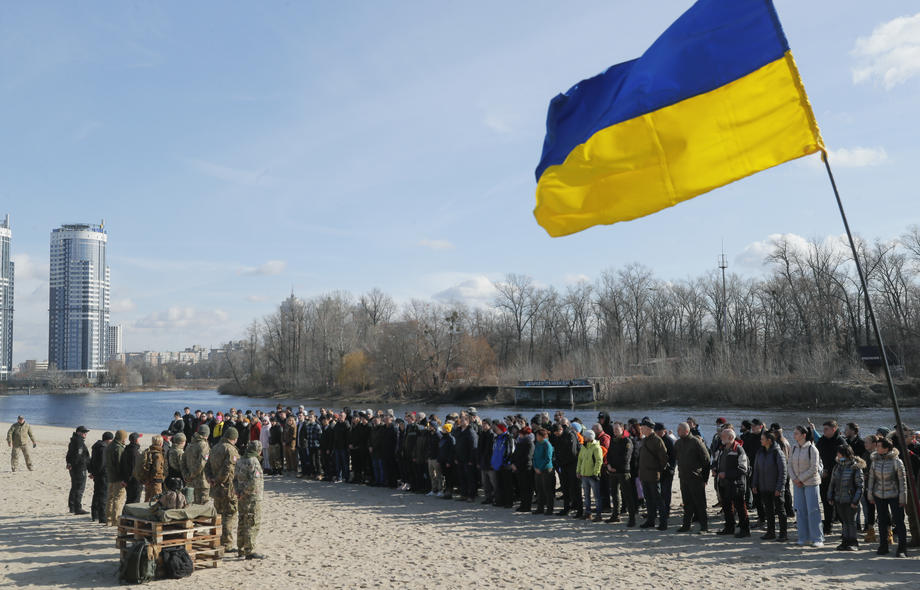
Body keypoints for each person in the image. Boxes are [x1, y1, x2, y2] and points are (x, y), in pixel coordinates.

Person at [867, 437, 909, 558]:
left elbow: (902, 481)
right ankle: (883, 546)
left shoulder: (897, 461)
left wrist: (903, 498)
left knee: (899, 521)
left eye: (879, 446)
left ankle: (902, 548)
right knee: (882, 521)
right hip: (879, 495)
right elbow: (871, 479)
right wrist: (870, 494)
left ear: (886, 448)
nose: (876, 448)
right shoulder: (875, 460)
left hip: (894, 495)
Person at [788, 425, 824, 547]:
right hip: (797, 484)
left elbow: (814, 468)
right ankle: (803, 537)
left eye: (796, 433)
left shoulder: (812, 449)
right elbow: (789, 465)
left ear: (804, 435)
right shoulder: (793, 448)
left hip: (811, 483)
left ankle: (817, 538)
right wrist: (794, 479)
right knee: (800, 510)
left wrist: (800, 479)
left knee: (813, 510)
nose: (794, 435)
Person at [207, 427, 241, 553]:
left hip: (216, 487)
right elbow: (228, 469)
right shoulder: (230, 449)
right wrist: (217, 479)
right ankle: (226, 544)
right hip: (227, 487)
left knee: (219, 514)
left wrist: (211, 478)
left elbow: (207, 466)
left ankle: (217, 540)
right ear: (234, 438)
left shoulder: (215, 447)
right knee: (229, 514)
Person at [674, 422, 710, 533]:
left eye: (679, 430)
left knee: (700, 504)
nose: (677, 432)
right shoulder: (678, 443)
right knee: (687, 503)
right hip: (683, 478)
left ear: (686, 430)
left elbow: (706, 460)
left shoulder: (696, 442)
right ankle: (686, 525)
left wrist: (705, 479)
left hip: (696, 478)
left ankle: (704, 527)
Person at [827, 443, 865, 551]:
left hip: (850, 499)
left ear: (845, 453)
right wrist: (830, 496)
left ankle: (853, 542)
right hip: (839, 498)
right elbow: (832, 483)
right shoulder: (838, 466)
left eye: (839, 453)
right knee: (844, 521)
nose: (837, 455)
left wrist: (855, 500)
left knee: (851, 521)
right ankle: (845, 541)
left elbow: (860, 486)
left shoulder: (855, 467)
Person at [752, 431, 787, 541]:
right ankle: (770, 532)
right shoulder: (760, 452)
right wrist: (754, 484)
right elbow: (756, 470)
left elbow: (783, 472)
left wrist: (779, 488)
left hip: (775, 488)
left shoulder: (778, 452)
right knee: (768, 511)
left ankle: (783, 534)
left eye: (762, 439)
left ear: (769, 440)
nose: (760, 440)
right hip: (764, 487)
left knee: (780, 511)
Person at [715, 428, 751, 538]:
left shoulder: (739, 450)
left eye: (723, 436)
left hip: (736, 484)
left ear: (731, 437)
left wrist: (726, 474)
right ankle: (729, 528)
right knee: (726, 506)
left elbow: (743, 469)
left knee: (740, 507)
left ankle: (745, 530)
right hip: (723, 483)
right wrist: (714, 469)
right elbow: (715, 460)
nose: (721, 438)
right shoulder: (721, 448)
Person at [234, 440, 265, 560]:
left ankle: (240, 548)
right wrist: (244, 492)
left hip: (241, 497)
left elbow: (234, 478)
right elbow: (254, 482)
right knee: (252, 522)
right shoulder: (254, 462)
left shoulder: (240, 460)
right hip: (252, 497)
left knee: (242, 521)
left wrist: (238, 491)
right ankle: (249, 550)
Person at [637, 418, 668, 530]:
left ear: (649, 428)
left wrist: (657, 469)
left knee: (658, 500)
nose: (641, 429)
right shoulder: (645, 440)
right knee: (649, 500)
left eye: (643, 427)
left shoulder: (657, 440)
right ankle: (650, 520)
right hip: (645, 475)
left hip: (653, 474)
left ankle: (663, 523)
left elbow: (664, 458)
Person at [816, 420, 846, 536]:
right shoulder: (822, 441)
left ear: (834, 429)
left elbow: (845, 460)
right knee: (825, 501)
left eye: (826, 429)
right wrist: (821, 470)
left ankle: (845, 527)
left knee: (839, 503)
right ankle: (827, 526)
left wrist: (831, 470)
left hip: (837, 477)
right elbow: (818, 457)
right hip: (824, 476)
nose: (823, 432)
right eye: (823, 429)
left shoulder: (841, 441)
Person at [606, 421, 636, 526]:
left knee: (627, 496)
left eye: (617, 429)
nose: (615, 431)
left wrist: (615, 468)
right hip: (613, 472)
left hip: (623, 472)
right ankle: (615, 515)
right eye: (614, 429)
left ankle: (632, 518)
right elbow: (609, 454)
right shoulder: (613, 440)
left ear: (622, 429)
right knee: (614, 494)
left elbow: (626, 458)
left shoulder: (627, 441)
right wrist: (609, 465)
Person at [576, 429, 603, 522]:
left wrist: (595, 473)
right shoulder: (584, 447)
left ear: (589, 437)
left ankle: (599, 515)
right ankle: (588, 513)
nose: (584, 437)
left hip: (592, 475)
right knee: (586, 495)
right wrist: (578, 471)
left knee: (596, 496)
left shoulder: (596, 447)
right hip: (584, 475)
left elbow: (599, 461)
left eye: (585, 436)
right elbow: (580, 459)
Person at [182, 424, 211, 504]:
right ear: (206, 435)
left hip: (190, 481)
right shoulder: (203, 445)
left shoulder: (189, 445)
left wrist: (186, 475)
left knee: (191, 505)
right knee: (202, 508)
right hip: (201, 482)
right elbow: (201, 463)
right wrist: (192, 475)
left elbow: (182, 462)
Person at [103, 430, 128, 526]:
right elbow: (120, 464)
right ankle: (115, 520)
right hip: (117, 477)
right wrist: (123, 478)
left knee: (110, 498)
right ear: (122, 438)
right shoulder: (119, 448)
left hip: (110, 476)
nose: (125, 439)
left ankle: (108, 519)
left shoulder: (110, 446)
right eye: (125, 438)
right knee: (118, 498)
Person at [65, 425, 91, 515]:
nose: (85, 434)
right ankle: (77, 508)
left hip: (74, 467)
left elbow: (69, 454)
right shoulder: (78, 441)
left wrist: (69, 463)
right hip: (79, 468)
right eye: (84, 432)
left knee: (75, 487)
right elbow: (78, 455)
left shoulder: (73, 440)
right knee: (79, 488)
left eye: (86, 433)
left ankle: (72, 507)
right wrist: (73, 464)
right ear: (78, 432)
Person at [88, 431, 113, 523]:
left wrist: (92, 472)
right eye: (111, 440)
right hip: (102, 475)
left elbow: (92, 461)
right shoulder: (103, 448)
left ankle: (95, 515)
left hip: (97, 474)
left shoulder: (96, 446)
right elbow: (101, 463)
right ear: (109, 440)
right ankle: (102, 517)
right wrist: (95, 473)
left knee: (97, 494)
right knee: (102, 495)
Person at [510, 426, 534, 512]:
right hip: (519, 469)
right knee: (522, 488)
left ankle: (527, 506)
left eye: (521, 434)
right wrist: (512, 463)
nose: (519, 435)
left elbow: (528, 457)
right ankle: (522, 505)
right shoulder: (520, 442)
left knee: (527, 488)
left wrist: (517, 465)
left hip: (526, 469)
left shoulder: (530, 443)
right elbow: (515, 454)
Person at [532, 428, 555, 515]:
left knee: (547, 490)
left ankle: (550, 509)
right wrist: (535, 467)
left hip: (546, 470)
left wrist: (540, 468)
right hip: (537, 469)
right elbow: (534, 456)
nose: (536, 437)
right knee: (539, 489)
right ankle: (540, 508)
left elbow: (548, 458)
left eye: (537, 436)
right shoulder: (537, 443)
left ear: (542, 436)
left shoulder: (547, 444)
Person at [139, 435, 166, 501]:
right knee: (156, 499)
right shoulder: (158, 455)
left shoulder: (148, 451)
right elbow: (157, 469)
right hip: (156, 480)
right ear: (160, 443)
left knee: (147, 498)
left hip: (147, 478)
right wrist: (163, 477)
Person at [122, 433, 143, 504]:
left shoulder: (127, 449)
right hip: (134, 480)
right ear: (137, 440)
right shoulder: (134, 451)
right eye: (139, 438)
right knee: (134, 500)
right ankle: (127, 514)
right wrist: (127, 480)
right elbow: (133, 467)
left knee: (130, 499)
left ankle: (126, 513)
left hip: (129, 478)